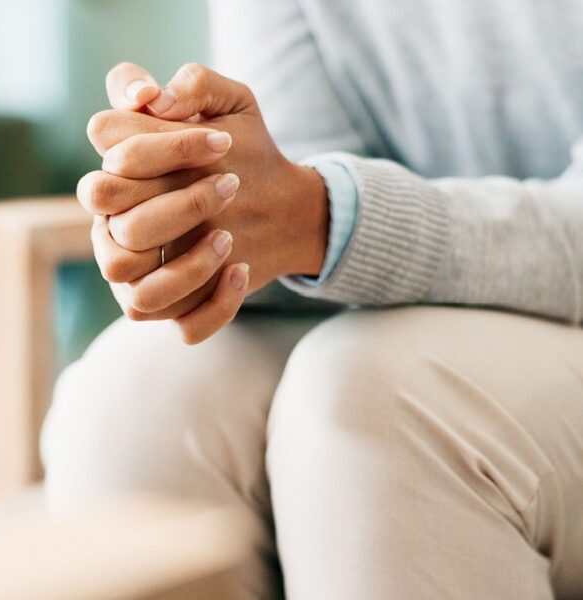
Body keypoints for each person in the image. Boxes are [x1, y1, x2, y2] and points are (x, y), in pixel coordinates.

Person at [41, 1, 583, 598]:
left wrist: (322, 218)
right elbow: (294, 184)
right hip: (416, 304)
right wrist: (203, 226)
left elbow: (320, 209)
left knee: (380, 398)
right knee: (128, 396)